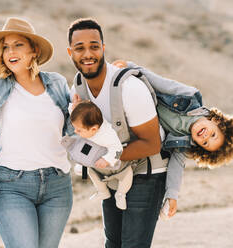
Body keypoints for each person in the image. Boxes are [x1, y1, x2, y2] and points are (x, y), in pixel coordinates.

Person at [0, 17, 74, 248]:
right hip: (12, 186)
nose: (11, 51)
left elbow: (72, 128)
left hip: (58, 186)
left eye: (18, 44)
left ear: (34, 50)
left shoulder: (57, 83)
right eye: (5, 46)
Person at [67, 18, 169, 248]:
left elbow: (151, 144)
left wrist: (104, 156)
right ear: (70, 52)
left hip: (147, 172)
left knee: (133, 244)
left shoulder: (129, 88)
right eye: (79, 48)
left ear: (103, 48)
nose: (88, 54)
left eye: (94, 46)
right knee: (113, 244)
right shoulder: (77, 89)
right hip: (113, 174)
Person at [112, 60, 233, 219]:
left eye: (206, 143)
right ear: (217, 122)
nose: (205, 137)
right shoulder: (189, 96)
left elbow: (176, 168)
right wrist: (130, 67)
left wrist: (172, 196)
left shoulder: (185, 143)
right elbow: (160, 83)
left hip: (134, 122)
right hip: (138, 92)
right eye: (213, 134)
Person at [68, 100, 132, 210]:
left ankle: (121, 194)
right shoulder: (87, 126)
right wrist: (73, 107)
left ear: (93, 129)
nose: (75, 131)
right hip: (97, 163)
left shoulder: (107, 134)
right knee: (92, 173)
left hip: (117, 165)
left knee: (127, 175)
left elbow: (117, 149)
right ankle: (103, 192)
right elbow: (77, 117)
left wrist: (107, 160)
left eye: (79, 130)